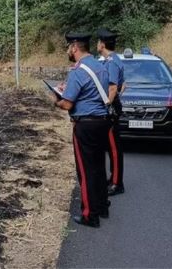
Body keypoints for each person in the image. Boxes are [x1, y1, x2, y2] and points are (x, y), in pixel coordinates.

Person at [54, 33, 111, 227]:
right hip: (102, 122)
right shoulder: (100, 66)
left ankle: (89, 215)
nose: (68, 51)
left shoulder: (78, 71)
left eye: (68, 48)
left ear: (75, 48)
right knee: (99, 167)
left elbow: (68, 104)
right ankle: (103, 207)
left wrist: (56, 100)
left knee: (86, 171)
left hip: (85, 125)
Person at [97, 29, 125, 196]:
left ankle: (116, 183)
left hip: (111, 108)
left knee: (114, 147)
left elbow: (113, 87)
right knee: (110, 146)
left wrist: (106, 106)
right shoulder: (110, 60)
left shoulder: (112, 62)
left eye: (98, 42)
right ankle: (113, 178)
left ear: (102, 44)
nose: (97, 45)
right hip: (112, 105)